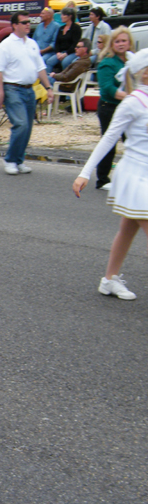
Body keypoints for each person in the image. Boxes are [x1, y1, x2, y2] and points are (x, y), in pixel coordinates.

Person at [73, 48, 148, 301]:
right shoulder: (132, 103)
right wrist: (85, 173)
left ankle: (108, 280)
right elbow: (108, 139)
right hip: (136, 176)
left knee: (127, 230)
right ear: (145, 73)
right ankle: (109, 280)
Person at [0, 11, 54, 175]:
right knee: (21, 124)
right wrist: (0, 93)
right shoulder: (5, 46)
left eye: (28, 22)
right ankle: (10, 159)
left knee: (28, 127)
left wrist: (48, 88)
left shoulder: (32, 44)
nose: (28, 24)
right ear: (15, 25)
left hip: (29, 89)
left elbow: (40, 68)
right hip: (12, 89)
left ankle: (19, 160)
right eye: (24, 22)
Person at [94, 27, 134, 190]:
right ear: (112, 44)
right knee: (109, 142)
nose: (121, 44)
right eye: (117, 41)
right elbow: (107, 88)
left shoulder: (131, 60)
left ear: (130, 42)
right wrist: (132, 97)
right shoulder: (107, 63)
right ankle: (102, 179)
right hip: (109, 107)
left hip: (128, 107)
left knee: (132, 142)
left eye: (124, 41)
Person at [45, 7, 82, 72]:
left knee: (65, 62)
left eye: (63, 15)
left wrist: (65, 54)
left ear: (70, 16)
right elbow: (57, 43)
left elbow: (75, 44)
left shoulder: (76, 28)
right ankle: (49, 79)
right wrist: (58, 53)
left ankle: (65, 79)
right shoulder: (61, 28)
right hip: (61, 52)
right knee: (49, 61)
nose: (61, 17)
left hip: (71, 52)